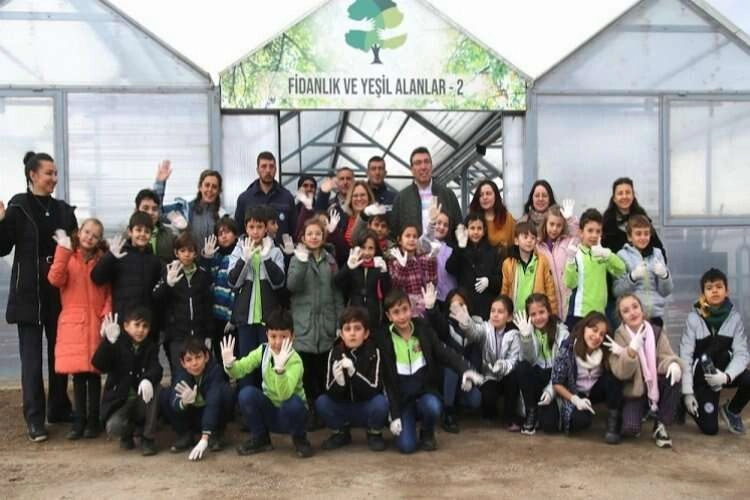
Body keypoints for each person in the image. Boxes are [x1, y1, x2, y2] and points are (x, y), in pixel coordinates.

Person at [0, 151, 77, 441]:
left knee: (60, 353)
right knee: (31, 360)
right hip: (28, 293)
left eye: (55, 173)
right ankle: (34, 418)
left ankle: (58, 407)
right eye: (48, 173)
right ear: (33, 175)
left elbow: (76, 248)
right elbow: (2, 248)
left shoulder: (64, 211)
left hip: (59, 291)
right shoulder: (18, 207)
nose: (54, 178)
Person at [379, 289, 483, 453]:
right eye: (396, 312)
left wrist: (465, 369)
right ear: (388, 316)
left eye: (405, 309)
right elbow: (388, 381)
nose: (402, 316)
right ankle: (407, 422)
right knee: (407, 447)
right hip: (403, 400)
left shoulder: (422, 328)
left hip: (424, 394)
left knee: (433, 406)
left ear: (411, 309)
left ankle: (427, 432)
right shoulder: (384, 338)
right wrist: (395, 414)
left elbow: (444, 352)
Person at [47, 219, 111, 440]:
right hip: (73, 323)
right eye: (87, 232)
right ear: (79, 232)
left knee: (94, 374)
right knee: (78, 375)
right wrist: (62, 251)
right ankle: (79, 421)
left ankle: (93, 421)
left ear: (99, 240)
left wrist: (106, 315)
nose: (89, 238)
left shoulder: (102, 261)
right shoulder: (69, 256)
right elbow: (55, 279)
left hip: (96, 322)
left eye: (95, 235)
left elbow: (109, 292)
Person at [222, 309, 313, 458]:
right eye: (273, 336)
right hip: (271, 412)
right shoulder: (263, 350)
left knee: (293, 403)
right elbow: (240, 370)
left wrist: (280, 371)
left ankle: (300, 439)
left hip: (290, 416)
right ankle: (261, 438)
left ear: (292, 337)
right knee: (246, 394)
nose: (278, 342)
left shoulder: (295, 360)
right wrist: (229, 365)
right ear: (267, 335)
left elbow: (285, 395)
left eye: (283, 337)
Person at [680, 268, 750, 435]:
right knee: (710, 429)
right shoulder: (693, 318)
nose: (715, 291)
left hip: (723, 373)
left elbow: (742, 353)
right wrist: (687, 392)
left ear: (727, 291)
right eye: (709, 288)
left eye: (719, 287)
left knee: (747, 378)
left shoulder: (734, 318)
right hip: (702, 377)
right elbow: (685, 355)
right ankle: (682, 402)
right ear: (703, 293)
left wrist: (726, 377)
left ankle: (731, 410)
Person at [286, 218, 344, 422]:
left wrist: (339, 323)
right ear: (303, 237)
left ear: (323, 236)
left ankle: (324, 412)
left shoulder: (331, 261)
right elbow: (292, 286)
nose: (313, 237)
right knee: (306, 374)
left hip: (326, 326)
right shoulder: (297, 259)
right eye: (309, 233)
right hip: (304, 326)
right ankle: (309, 411)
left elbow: (337, 294)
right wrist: (302, 263)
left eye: (318, 233)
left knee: (323, 373)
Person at [607, 294, 681, 448]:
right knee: (630, 429)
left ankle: (661, 424)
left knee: (674, 375)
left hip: (655, 386)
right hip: (635, 392)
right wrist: (630, 352)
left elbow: (665, 357)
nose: (632, 313)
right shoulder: (619, 336)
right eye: (626, 311)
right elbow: (621, 373)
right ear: (621, 317)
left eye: (635, 307)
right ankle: (644, 411)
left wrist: (672, 364)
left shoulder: (656, 331)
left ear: (642, 309)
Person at [316, 306, 393, 451]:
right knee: (322, 402)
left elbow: (375, 388)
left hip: (366, 407)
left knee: (381, 403)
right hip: (344, 407)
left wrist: (353, 373)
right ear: (341, 334)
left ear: (366, 333)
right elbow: (328, 390)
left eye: (357, 328)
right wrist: (339, 383)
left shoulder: (374, 352)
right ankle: (341, 433)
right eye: (347, 329)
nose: (352, 333)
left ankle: (374, 433)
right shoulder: (335, 352)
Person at [227, 206, 285, 387]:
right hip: (246, 318)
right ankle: (246, 397)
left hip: (268, 319)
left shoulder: (275, 251)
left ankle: (269, 397)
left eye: (259, 227)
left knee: (267, 363)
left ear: (266, 228)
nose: (255, 231)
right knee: (246, 363)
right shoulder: (239, 250)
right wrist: (244, 260)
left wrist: (266, 258)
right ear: (246, 228)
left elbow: (279, 282)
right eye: (251, 227)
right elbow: (232, 282)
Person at [92, 307, 162, 456]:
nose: (140, 330)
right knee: (114, 427)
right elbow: (98, 364)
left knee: (157, 387)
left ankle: (148, 439)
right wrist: (107, 343)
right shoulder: (117, 343)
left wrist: (148, 379)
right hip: (120, 403)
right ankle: (128, 434)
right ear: (126, 326)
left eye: (145, 326)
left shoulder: (150, 347)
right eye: (136, 325)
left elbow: (156, 368)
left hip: (140, 401)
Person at [550, 312, 623, 444]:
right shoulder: (568, 348)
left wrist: (623, 353)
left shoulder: (606, 350)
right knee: (579, 422)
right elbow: (557, 382)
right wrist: (574, 399)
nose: (597, 337)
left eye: (602, 334)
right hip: (576, 392)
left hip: (596, 391)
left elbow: (621, 372)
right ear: (584, 328)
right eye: (594, 330)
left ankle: (613, 423)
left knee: (613, 379)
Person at [451, 295, 521, 430]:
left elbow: (514, 360)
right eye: (493, 311)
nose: (495, 315)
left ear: (509, 317)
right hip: (489, 375)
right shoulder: (485, 328)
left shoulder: (514, 334)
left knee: (513, 380)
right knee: (489, 397)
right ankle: (490, 412)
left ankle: (510, 417)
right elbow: (474, 333)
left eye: (500, 312)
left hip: (507, 374)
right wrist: (466, 323)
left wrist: (502, 365)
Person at [162, 337, 234, 461]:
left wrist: (205, 437)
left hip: (211, 416)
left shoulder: (215, 370)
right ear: (183, 363)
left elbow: (213, 402)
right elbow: (174, 401)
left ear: (206, 357)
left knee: (226, 392)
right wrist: (183, 402)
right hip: (191, 417)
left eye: (198, 357)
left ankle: (215, 434)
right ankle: (185, 434)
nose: (194, 363)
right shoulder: (180, 373)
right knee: (166, 395)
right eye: (189, 360)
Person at [91, 211, 162, 333]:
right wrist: (110, 256)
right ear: (130, 231)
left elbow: (157, 293)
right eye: (138, 230)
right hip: (122, 321)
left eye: (147, 231)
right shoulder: (118, 254)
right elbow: (97, 278)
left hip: (145, 324)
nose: (142, 234)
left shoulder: (154, 261)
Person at [152, 233, 213, 370]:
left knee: (200, 370)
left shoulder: (202, 274)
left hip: (198, 334)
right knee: (179, 373)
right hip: (177, 335)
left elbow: (208, 305)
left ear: (195, 253)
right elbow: (156, 298)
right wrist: (167, 284)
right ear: (176, 253)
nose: (186, 254)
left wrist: (209, 335)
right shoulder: (169, 270)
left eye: (190, 251)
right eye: (182, 250)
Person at [425, 287, 482, 433]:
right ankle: (448, 411)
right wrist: (431, 309)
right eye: (453, 304)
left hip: (465, 380)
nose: (458, 308)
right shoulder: (446, 325)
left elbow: (475, 353)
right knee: (451, 369)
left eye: (461, 304)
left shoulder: (476, 325)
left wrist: (471, 375)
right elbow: (438, 324)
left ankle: (456, 404)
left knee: (475, 399)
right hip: (444, 379)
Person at [514, 293, 569, 435]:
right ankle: (531, 411)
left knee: (549, 426)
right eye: (533, 314)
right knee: (521, 366)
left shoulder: (562, 333)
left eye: (541, 312)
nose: (538, 317)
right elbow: (528, 359)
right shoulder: (526, 329)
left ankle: (544, 410)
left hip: (554, 381)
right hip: (535, 378)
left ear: (549, 311)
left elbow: (562, 369)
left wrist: (551, 391)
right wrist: (526, 337)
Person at [564, 208, 626, 328]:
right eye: (590, 231)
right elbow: (570, 283)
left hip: (600, 314)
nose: (594, 235)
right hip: (579, 314)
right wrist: (570, 261)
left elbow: (621, 270)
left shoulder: (602, 253)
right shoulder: (576, 253)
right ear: (581, 232)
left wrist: (608, 255)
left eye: (598, 231)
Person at [390, 147, 462, 239]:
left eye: (426, 162)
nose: (423, 167)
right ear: (412, 169)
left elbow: (459, 227)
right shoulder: (401, 199)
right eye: (418, 163)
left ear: (431, 166)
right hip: (413, 248)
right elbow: (394, 233)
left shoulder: (448, 195)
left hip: (444, 248)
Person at [613, 215, 673, 326]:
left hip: (655, 317)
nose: (643, 237)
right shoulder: (622, 256)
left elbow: (666, 291)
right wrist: (632, 277)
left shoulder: (657, 254)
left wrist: (664, 275)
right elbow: (617, 291)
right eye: (638, 233)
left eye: (646, 233)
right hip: (632, 318)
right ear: (629, 237)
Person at [199, 215, 239, 374]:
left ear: (235, 234)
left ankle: (238, 382)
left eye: (227, 232)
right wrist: (206, 258)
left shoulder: (239, 255)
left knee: (235, 354)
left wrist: (232, 315)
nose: (224, 236)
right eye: (220, 233)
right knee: (219, 352)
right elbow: (206, 279)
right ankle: (223, 382)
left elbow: (237, 288)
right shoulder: (216, 256)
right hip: (215, 316)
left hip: (232, 317)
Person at [153, 161, 225, 247]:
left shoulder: (222, 216)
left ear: (219, 191)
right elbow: (157, 213)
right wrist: (160, 184)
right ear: (200, 187)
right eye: (207, 185)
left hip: (211, 256)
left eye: (214, 187)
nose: (210, 189)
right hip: (186, 255)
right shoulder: (184, 208)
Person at [447, 214, 502, 320]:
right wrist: (460, 247)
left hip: (486, 305)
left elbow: (500, 279)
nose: (476, 232)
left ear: (484, 231)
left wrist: (489, 281)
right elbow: (449, 268)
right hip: (466, 304)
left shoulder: (493, 251)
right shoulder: (461, 249)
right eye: (472, 228)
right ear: (466, 230)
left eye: (479, 228)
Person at [335, 230, 391, 330]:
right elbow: (336, 283)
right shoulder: (353, 263)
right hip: (354, 313)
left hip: (374, 314)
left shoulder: (379, 264)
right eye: (363, 247)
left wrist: (384, 273)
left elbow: (387, 291)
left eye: (371, 248)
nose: (366, 252)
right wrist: (348, 267)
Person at [234, 152, 296, 243]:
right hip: (252, 251)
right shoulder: (244, 199)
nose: (268, 170)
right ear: (257, 170)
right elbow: (238, 232)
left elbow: (294, 230)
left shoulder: (287, 197)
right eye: (264, 166)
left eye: (271, 166)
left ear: (275, 170)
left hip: (281, 250)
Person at [501, 220, 558, 317]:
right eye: (525, 237)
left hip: (536, 315)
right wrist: (504, 313)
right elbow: (505, 291)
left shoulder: (542, 261)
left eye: (533, 238)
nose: (529, 241)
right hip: (515, 315)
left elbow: (550, 290)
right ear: (516, 241)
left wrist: (553, 315)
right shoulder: (508, 263)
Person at [536, 202, 579, 319]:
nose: (554, 229)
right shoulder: (538, 246)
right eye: (551, 224)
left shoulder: (567, 241)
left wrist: (570, 219)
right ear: (545, 224)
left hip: (568, 296)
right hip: (550, 298)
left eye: (559, 225)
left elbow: (578, 235)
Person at [602, 177, 665, 257]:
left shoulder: (642, 218)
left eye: (628, 192)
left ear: (633, 195)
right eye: (620, 193)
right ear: (614, 198)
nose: (624, 196)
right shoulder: (606, 222)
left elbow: (657, 245)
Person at [387, 224, 438, 318]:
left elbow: (432, 283)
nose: (411, 239)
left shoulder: (422, 259)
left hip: (423, 311)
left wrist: (432, 261)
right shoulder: (393, 262)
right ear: (399, 240)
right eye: (408, 236)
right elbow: (396, 286)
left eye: (415, 237)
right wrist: (402, 267)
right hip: (405, 313)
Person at [132, 188, 176, 265]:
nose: (150, 212)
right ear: (136, 210)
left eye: (154, 209)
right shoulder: (128, 236)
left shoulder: (170, 235)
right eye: (145, 208)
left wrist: (184, 230)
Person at [468, 179, 515, 249]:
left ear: (496, 196)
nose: (484, 197)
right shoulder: (471, 219)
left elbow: (514, 243)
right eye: (481, 195)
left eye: (488, 194)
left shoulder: (507, 218)